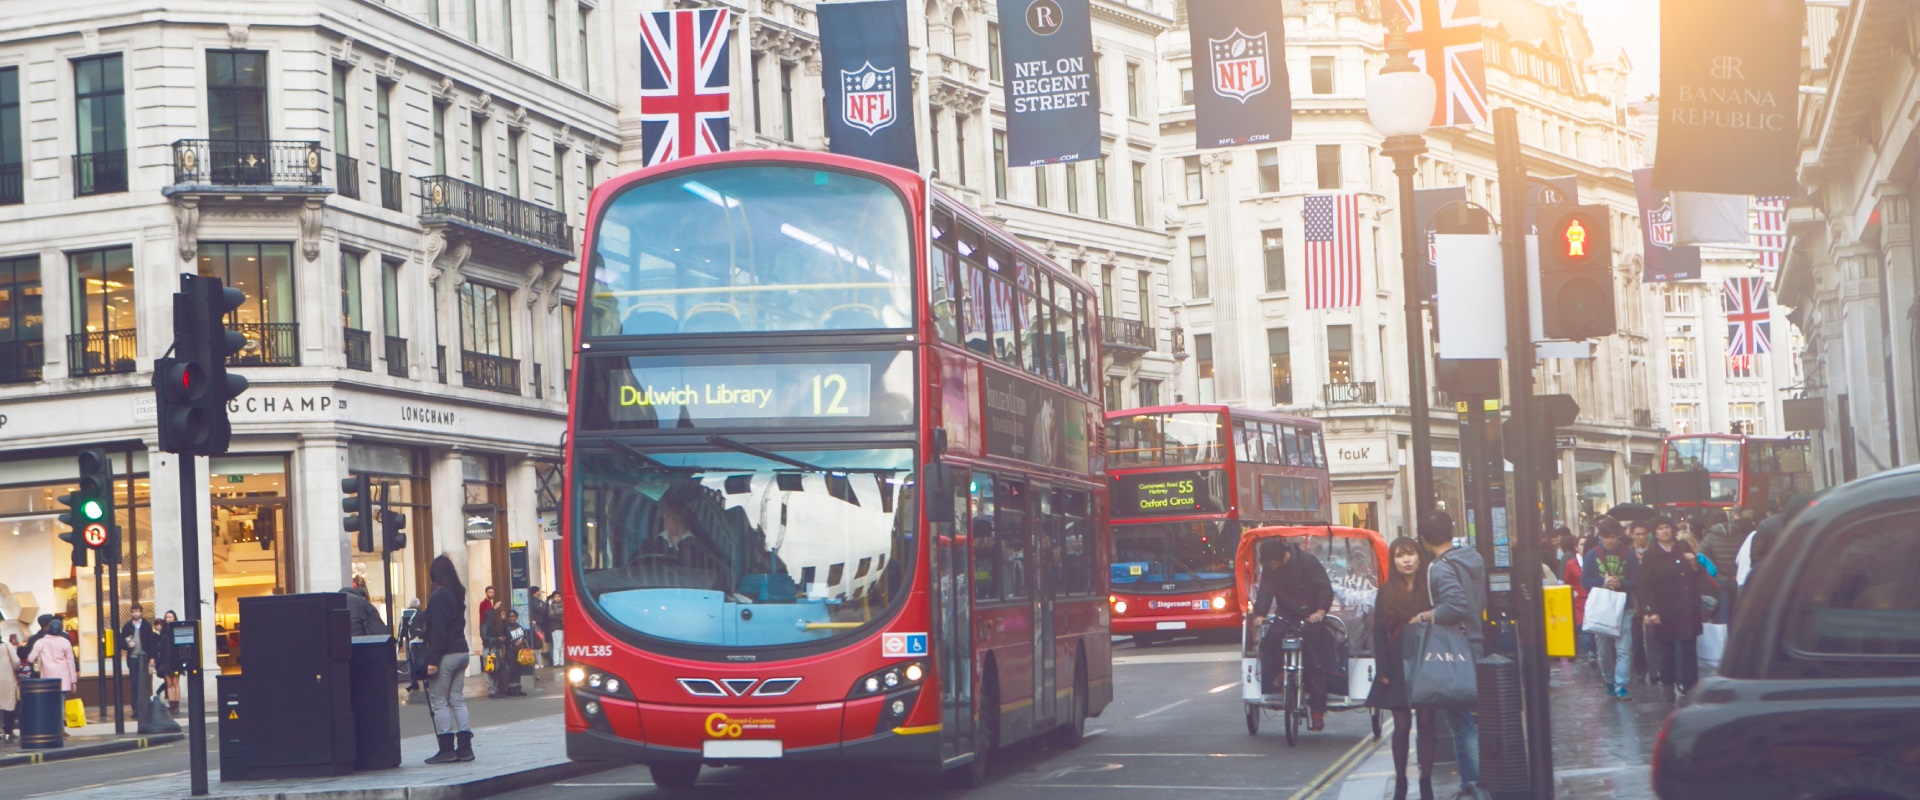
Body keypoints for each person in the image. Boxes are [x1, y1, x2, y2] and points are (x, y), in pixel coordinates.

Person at [1414, 511, 1484, 800]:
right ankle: (1472, 783)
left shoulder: (1440, 568)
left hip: (1457, 648)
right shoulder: (1472, 558)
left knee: (1461, 722)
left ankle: (1472, 785)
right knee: (1468, 719)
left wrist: (1425, 615)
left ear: (1422, 540)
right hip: (1476, 641)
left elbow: (1455, 605)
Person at [1369, 537, 1438, 800]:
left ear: (1420, 557)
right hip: (1397, 661)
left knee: (1427, 723)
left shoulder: (1431, 588)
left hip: (1426, 658)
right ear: (1393, 560)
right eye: (1399, 556)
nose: (1406, 560)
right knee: (1401, 725)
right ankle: (1400, 782)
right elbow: (1378, 631)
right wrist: (1382, 669)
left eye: (1410, 554)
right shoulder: (1386, 591)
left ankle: (1427, 782)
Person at [1251, 537, 1335, 731]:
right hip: (1286, 614)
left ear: (1280, 557)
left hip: (1311, 614)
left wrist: (1321, 611)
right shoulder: (1271, 570)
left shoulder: (1308, 562)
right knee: (1271, 637)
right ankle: (1282, 671)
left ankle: (1317, 712)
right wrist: (1260, 614)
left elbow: (1324, 587)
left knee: (1315, 662)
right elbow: (1265, 591)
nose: (1268, 566)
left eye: (1270, 562)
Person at [1641, 517, 1706, 702]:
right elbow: (1645, 585)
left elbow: (1698, 574)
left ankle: (1690, 685)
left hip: (1687, 606)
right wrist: (1650, 610)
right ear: (1655, 532)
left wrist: (1694, 563)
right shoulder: (1650, 555)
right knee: (1666, 648)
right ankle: (1668, 684)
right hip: (1665, 608)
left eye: (1667, 527)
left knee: (1688, 648)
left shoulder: (1682, 548)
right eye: (1660, 528)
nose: (1664, 531)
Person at [421, 555, 474, 764]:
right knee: (457, 699)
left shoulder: (440, 596)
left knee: (439, 701)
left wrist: (433, 660)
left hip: (446, 654)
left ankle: (446, 749)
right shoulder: (456, 593)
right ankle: (465, 747)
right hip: (462, 652)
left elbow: (439, 632)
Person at [1583, 519, 1639, 699]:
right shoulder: (1592, 554)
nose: (1610, 541)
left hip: (1624, 607)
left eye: (1613, 537)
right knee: (1603, 649)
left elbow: (1637, 581)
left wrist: (1621, 582)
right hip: (1602, 607)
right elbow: (1584, 581)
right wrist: (1603, 582)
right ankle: (1609, 680)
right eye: (1606, 537)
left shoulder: (1629, 554)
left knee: (1623, 648)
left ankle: (1621, 684)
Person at [27, 617, 78, 733]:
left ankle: (49, 728)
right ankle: (61, 729)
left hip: (47, 679)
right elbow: (71, 662)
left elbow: (30, 659)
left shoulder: (40, 642)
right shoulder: (65, 642)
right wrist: (73, 681)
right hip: (63, 678)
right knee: (60, 704)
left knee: (48, 705)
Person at [119, 604, 161, 715]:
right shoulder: (127, 626)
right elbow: (121, 642)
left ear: (141, 612)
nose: (135, 613)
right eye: (133, 611)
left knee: (144, 682)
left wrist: (152, 657)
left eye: (137, 611)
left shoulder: (147, 626)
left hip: (144, 657)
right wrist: (127, 645)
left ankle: (145, 707)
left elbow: (152, 643)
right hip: (132, 657)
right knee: (134, 683)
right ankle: (135, 708)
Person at [156, 610, 181, 712]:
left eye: (170, 617)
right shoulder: (164, 631)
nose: (168, 619)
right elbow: (160, 645)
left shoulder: (178, 629)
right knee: (169, 683)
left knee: (175, 682)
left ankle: (176, 705)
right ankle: (172, 705)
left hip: (176, 659)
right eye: (167, 617)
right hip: (165, 660)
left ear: (174, 618)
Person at [1, 627, 19, 743]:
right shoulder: (6, 646)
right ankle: (8, 731)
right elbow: (16, 661)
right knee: (9, 706)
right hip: (7, 679)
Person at [546, 592, 566, 666]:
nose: (558, 598)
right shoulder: (551, 606)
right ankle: (556, 662)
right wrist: (562, 619)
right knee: (557, 646)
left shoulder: (565, 604)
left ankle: (562, 662)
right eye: (556, 596)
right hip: (556, 627)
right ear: (553, 598)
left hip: (564, 628)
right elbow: (552, 617)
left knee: (563, 646)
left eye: (559, 596)